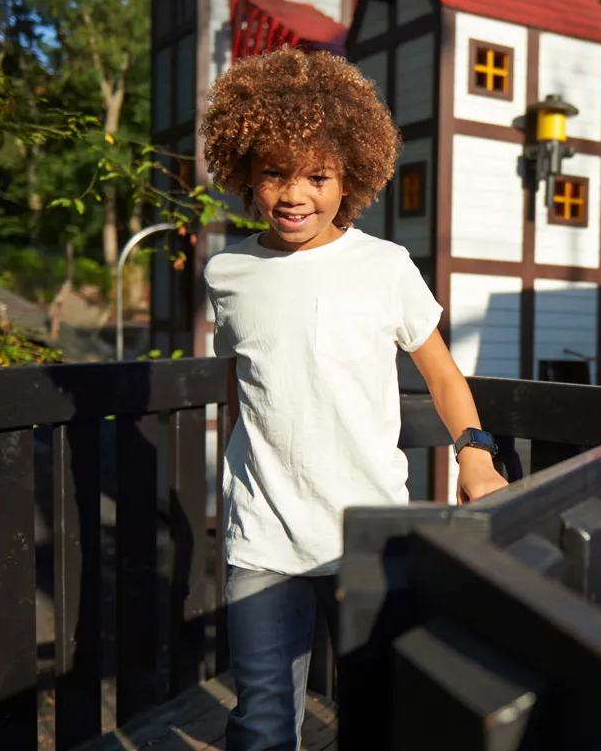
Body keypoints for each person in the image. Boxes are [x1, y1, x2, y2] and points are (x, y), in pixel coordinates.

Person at [199, 45, 510, 750]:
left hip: (370, 534)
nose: (293, 193)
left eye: (317, 174)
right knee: (262, 721)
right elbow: (242, 385)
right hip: (263, 537)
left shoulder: (385, 266)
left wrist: (475, 456)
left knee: (378, 715)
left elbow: (441, 373)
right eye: (274, 172)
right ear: (245, 170)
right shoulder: (228, 272)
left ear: (353, 177)